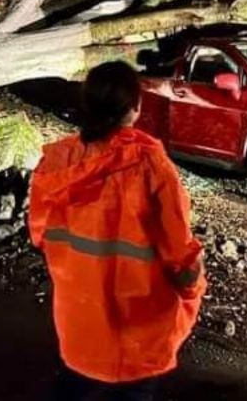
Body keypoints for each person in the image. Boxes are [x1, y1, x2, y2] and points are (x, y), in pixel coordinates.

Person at [28, 61, 206, 401]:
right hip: (139, 332)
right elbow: (179, 252)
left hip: (80, 323)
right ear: (135, 107)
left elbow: (41, 234)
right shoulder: (151, 164)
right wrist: (192, 290)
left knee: (73, 386)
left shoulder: (58, 163)